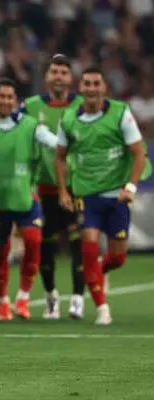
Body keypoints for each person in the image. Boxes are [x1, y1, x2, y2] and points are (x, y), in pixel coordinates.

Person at [56, 66, 147, 325]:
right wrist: (63, 190)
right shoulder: (70, 118)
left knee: (118, 257)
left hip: (117, 197)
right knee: (88, 244)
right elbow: (60, 157)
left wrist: (130, 187)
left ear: (104, 87)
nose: (92, 88)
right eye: (87, 83)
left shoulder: (120, 113)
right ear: (80, 87)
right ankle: (102, 309)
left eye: (97, 83)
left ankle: (100, 268)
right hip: (86, 197)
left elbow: (138, 152)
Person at [0, 78, 59, 320]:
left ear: (15, 101)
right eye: (1, 96)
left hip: (26, 199)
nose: (5, 101)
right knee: (0, 252)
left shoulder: (31, 126)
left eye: (9, 97)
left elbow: (56, 143)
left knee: (34, 242)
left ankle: (23, 297)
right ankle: (2, 301)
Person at [21, 54, 85, 320]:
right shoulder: (31, 107)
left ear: (70, 78)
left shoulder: (83, 105)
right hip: (43, 188)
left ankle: (79, 299)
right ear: (47, 77)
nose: (58, 76)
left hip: (76, 187)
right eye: (54, 72)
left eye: (63, 72)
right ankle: (51, 298)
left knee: (78, 243)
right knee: (44, 246)